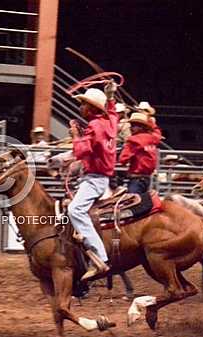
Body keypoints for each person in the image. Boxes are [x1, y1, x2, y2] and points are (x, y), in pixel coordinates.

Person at [68, 82, 118, 280]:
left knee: (74, 209)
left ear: (91, 108)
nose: (80, 107)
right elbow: (113, 113)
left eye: (83, 104)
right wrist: (111, 97)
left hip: (94, 179)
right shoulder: (110, 122)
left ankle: (99, 256)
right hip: (102, 178)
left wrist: (75, 135)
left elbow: (81, 151)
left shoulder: (95, 126)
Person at [118, 112, 162, 194]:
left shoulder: (133, 140)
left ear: (141, 127)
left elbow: (123, 159)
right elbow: (157, 132)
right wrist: (150, 120)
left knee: (132, 202)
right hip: (147, 178)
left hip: (136, 178)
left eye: (134, 126)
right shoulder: (153, 138)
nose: (131, 128)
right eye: (132, 126)